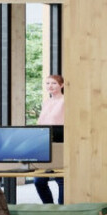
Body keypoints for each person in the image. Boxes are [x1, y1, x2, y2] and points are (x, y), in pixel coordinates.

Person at [34, 73, 66, 204]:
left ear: (61, 85)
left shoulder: (65, 101)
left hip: (60, 140)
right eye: (47, 83)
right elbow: (40, 122)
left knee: (61, 179)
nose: (50, 86)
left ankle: (61, 209)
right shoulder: (46, 102)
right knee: (39, 180)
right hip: (44, 142)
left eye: (54, 83)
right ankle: (49, 206)